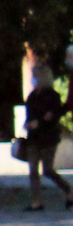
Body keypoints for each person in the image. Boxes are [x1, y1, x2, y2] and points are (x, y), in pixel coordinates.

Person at [25, 67, 70, 212]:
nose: (33, 79)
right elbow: (29, 115)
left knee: (48, 170)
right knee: (32, 169)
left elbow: (54, 116)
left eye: (35, 76)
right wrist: (29, 124)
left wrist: (40, 122)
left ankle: (69, 190)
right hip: (33, 138)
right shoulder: (32, 96)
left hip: (48, 138)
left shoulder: (53, 96)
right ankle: (36, 201)